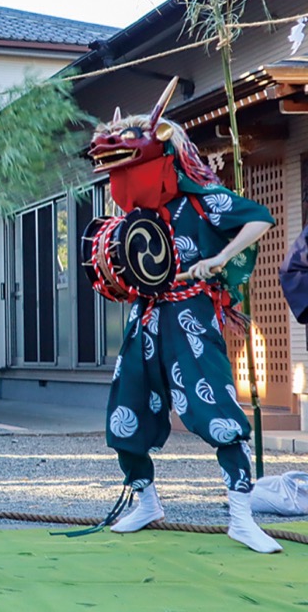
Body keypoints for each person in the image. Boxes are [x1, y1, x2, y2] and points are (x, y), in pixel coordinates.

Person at [87, 79, 281, 554]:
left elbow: (258, 218)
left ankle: (240, 515)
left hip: (193, 315)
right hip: (147, 315)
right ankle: (146, 500)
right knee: (126, 412)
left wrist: (218, 259)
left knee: (216, 411)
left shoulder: (199, 201)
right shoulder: (140, 215)